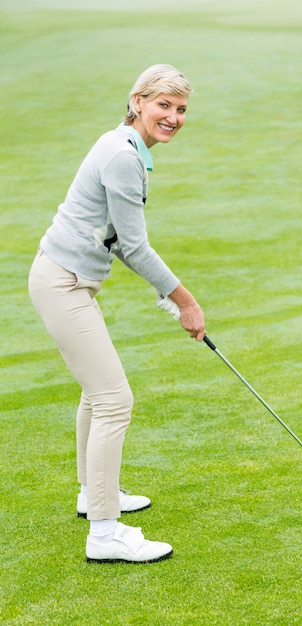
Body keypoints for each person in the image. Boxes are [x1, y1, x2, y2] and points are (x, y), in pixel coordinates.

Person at [28, 64, 206, 564]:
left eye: (181, 109)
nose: (173, 117)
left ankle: (93, 494)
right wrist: (185, 301)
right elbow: (135, 245)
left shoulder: (125, 146)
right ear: (137, 101)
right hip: (61, 284)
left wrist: (169, 297)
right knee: (114, 400)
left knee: (96, 395)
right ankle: (105, 533)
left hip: (66, 282)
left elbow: (120, 244)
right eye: (164, 105)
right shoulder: (124, 156)